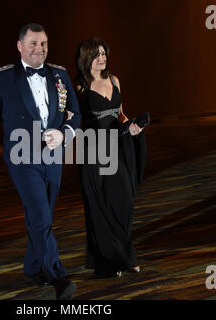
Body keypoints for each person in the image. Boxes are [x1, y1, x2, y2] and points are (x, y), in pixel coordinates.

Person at [0, 23, 81, 300]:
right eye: (33, 43)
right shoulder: (3, 78)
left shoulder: (59, 74)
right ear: (20, 46)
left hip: (54, 156)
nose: (40, 49)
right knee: (41, 216)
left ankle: (32, 268)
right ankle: (59, 277)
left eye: (44, 43)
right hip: (22, 157)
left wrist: (64, 133)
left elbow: (76, 114)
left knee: (41, 215)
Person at [75, 37, 147, 277]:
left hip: (118, 147)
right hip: (94, 151)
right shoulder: (80, 86)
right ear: (86, 58)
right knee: (101, 205)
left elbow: (121, 114)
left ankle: (117, 253)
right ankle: (120, 258)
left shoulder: (114, 80)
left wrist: (133, 126)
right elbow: (75, 122)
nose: (102, 58)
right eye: (96, 54)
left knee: (124, 199)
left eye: (104, 53)